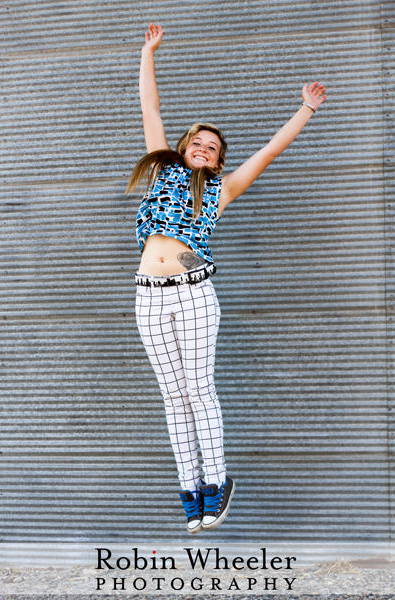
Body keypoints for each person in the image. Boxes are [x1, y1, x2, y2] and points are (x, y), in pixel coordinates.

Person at [125, 22, 327, 534]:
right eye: (199, 142)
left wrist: (305, 108)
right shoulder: (162, 169)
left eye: (214, 148)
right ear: (185, 146)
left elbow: (269, 152)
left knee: (199, 390)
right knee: (173, 397)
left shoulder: (221, 191)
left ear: (218, 161)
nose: (205, 149)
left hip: (194, 295)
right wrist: (148, 53)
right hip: (148, 297)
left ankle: (217, 483)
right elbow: (151, 109)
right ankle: (190, 490)